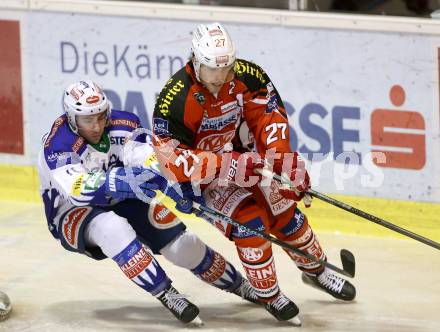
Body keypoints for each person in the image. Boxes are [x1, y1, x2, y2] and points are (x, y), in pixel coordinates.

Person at [152, 22, 356, 325]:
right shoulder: (175, 100)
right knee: (251, 225)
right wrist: (227, 165)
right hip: (201, 181)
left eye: (226, 68)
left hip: (244, 160)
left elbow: (267, 117)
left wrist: (283, 160)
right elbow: (173, 160)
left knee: (286, 214)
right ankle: (270, 294)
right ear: (195, 61)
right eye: (212, 70)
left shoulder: (248, 75)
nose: (221, 78)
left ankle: (317, 271)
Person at [37, 80, 260, 325]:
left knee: (181, 244)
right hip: (71, 212)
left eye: (101, 116)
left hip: (123, 196)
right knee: (113, 228)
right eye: (88, 120)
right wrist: (124, 180)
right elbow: (78, 190)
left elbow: (149, 159)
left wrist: (176, 183)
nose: (97, 126)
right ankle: (167, 292)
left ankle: (241, 285)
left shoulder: (124, 124)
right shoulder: (56, 145)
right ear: (71, 118)